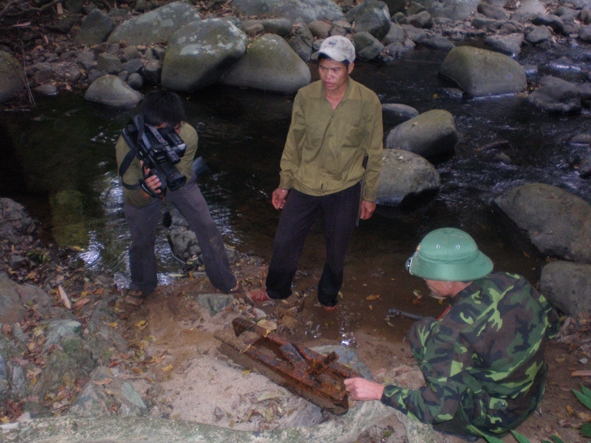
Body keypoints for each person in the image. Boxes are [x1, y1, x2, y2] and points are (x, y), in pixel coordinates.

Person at [345, 228, 560, 440]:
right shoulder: (513, 281)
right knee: (432, 332)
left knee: (421, 332)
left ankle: (470, 429)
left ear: (449, 281)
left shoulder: (450, 333)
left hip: (497, 418)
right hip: (532, 392)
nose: (424, 281)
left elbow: (437, 410)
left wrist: (378, 391)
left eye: (427, 275)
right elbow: (552, 327)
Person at [248, 35, 383, 311]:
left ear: (350, 68)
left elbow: (375, 151)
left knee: (336, 250)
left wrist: (369, 195)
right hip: (304, 183)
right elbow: (293, 142)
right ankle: (276, 290)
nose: (328, 76)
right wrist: (284, 183)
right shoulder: (305, 96)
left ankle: (328, 297)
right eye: (323, 68)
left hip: (345, 186)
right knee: (285, 241)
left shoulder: (367, 101)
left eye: (336, 70)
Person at [115, 90, 238, 302]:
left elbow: (183, 173)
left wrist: (166, 180)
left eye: (176, 127)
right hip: (143, 186)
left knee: (206, 225)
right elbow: (131, 197)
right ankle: (142, 284)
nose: (173, 131)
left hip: (178, 180)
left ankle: (223, 278)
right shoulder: (127, 143)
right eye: (162, 129)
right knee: (141, 239)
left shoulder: (187, 134)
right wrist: (146, 189)